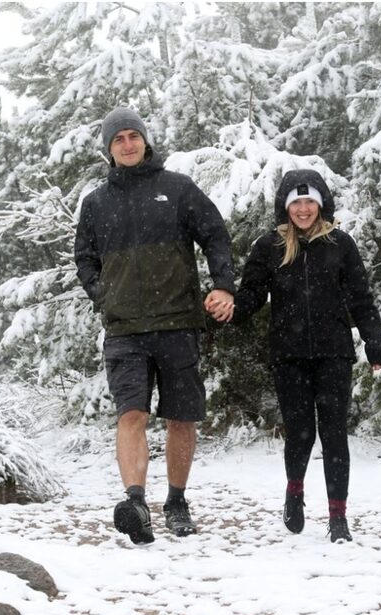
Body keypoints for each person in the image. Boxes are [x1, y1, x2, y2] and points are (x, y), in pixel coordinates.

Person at [74, 107, 235, 544]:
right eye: (118, 139)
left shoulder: (178, 189)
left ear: (144, 140)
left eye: (133, 136)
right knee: (132, 412)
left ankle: (177, 501)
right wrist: (104, 295)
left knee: (181, 417)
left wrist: (224, 286)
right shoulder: (95, 203)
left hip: (178, 323)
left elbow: (215, 235)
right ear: (109, 149)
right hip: (124, 330)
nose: (127, 144)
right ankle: (136, 501)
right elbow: (84, 259)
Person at [206, 169, 381, 543]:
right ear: (285, 206)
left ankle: (338, 517)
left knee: (334, 434)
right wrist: (231, 310)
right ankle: (295, 491)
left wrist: (374, 343)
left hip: (333, 353)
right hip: (288, 354)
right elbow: (252, 296)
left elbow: (361, 298)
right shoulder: (268, 247)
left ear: (320, 205)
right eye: (296, 203)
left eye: (310, 202)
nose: (303, 209)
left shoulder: (341, 244)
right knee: (300, 434)